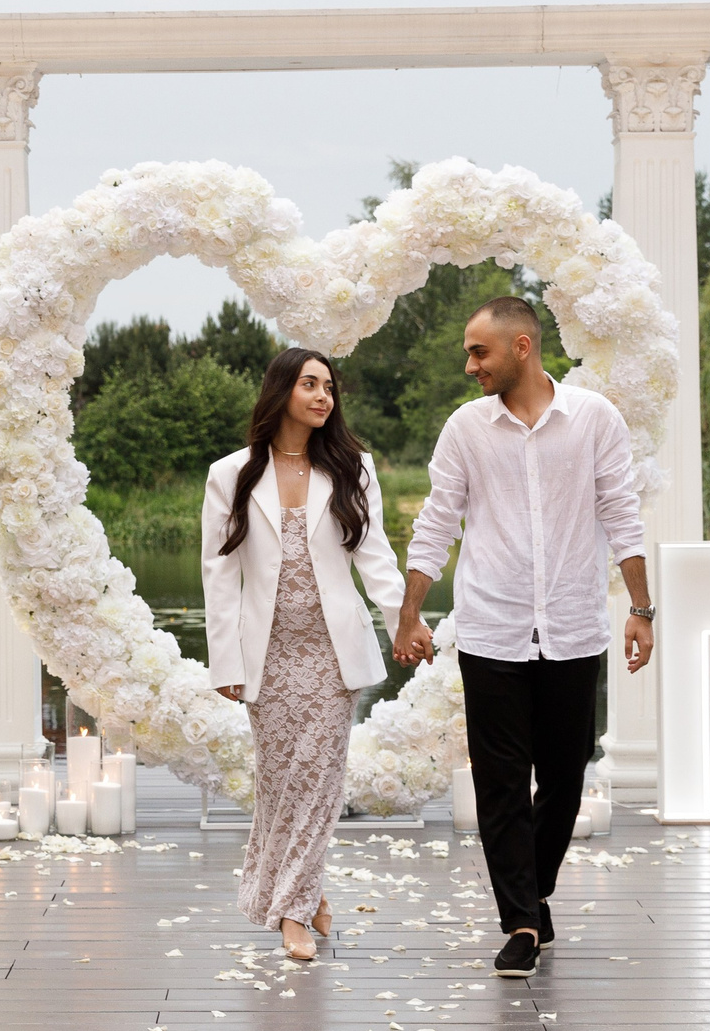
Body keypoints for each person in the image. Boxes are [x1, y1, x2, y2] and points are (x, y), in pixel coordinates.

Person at [394, 296, 652, 979]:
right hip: (491, 627)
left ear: (522, 348)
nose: (469, 364)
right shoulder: (464, 429)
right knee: (502, 782)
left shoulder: (595, 419)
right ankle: (522, 921)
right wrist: (409, 612)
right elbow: (436, 524)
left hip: (572, 627)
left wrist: (642, 608)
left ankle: (532, 889)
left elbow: (622, 515)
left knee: (565, 777)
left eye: (479, 351)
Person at [203, 347, 405, 962]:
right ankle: (309, 893)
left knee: (318, 781)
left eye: (329, 387)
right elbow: (219, 574)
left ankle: (290, 911)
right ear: (281, 390)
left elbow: (376, 556)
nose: (324, 397)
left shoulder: (352, 468)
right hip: (267, 655)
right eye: (310, 384)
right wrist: (225, 664)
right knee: (280, 785)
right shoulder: (230, 473)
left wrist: (404, 622)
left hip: (331, 654)